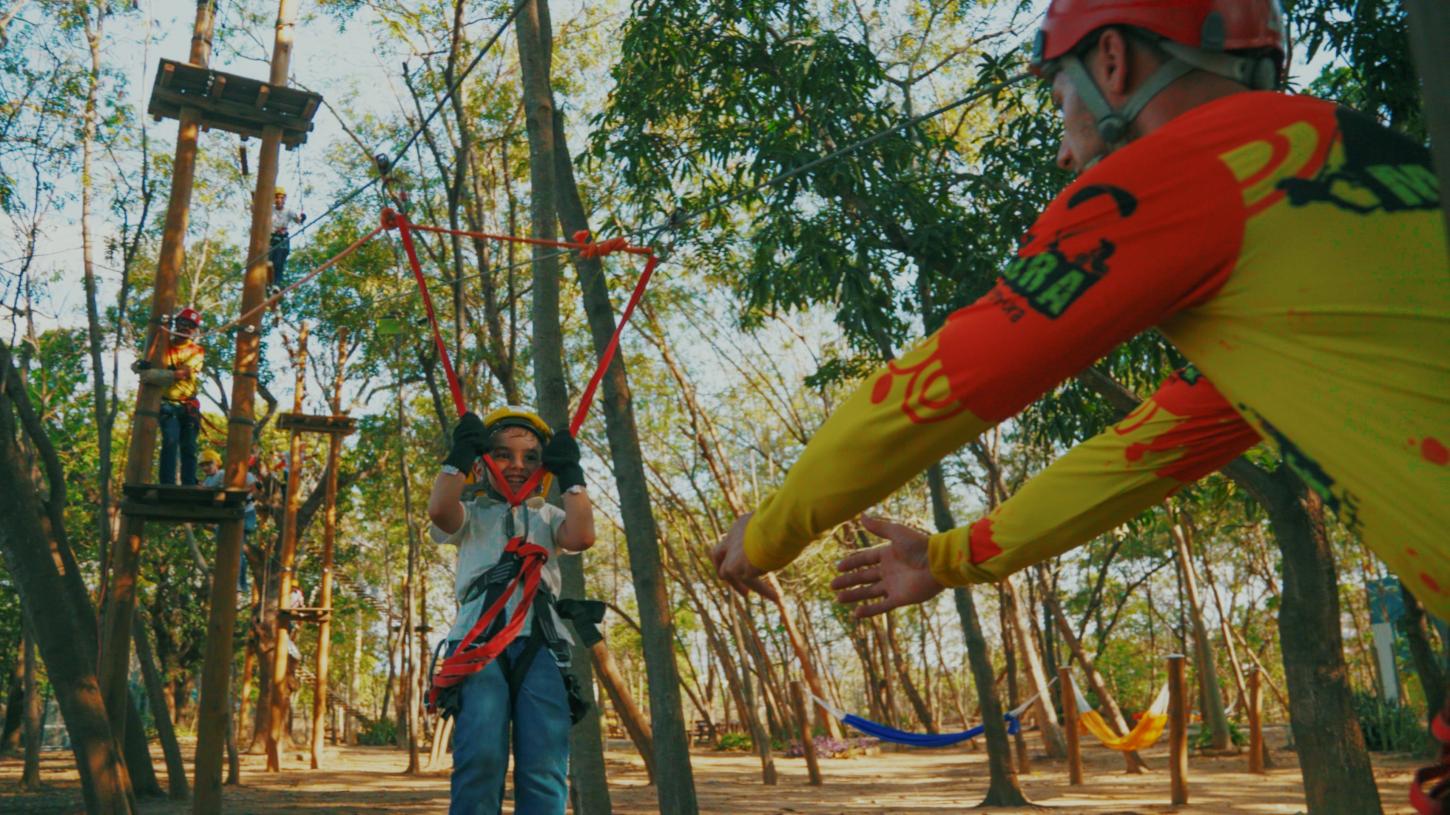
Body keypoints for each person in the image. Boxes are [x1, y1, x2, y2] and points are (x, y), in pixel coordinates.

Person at [712, 1, 1447, 621]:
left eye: (1060, 98)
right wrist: (945, 558)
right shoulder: (1360, 173)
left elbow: (942, 386)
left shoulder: (1186, 168)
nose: (1064, 154)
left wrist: (771, 532)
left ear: (1113, 61)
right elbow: (1146, 451)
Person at [427, 406, 595, 815]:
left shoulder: (548, 517)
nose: (517, 465)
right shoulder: (472, 515)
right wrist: (458, 458)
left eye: (531, 457)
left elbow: (582, 535)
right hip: (478, 645)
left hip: (541, 644)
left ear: (545, 468)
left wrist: (572, 476)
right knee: (480, 758)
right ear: (483, 464)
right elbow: (440, 511)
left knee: (544, 763)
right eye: (502, 455)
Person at [134, 308, 206, 485]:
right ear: (176, 323)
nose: (186, 328)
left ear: (194, 330)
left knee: (189, 446)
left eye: (191, 326)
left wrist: (152, 375)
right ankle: (167, 483)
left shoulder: (196, 351)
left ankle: (189, 485)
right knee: (170, 441)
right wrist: (139, 366)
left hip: (188, 404)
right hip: (167, 404)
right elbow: (141, 363)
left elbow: (182, 373)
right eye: (183, 323)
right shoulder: (162, 345)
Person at [200, 449, 260, 593]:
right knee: (228, 548)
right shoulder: (207, 481)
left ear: (217, 463)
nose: (206, 467)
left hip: (244, 514)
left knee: (234, 548)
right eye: (202, 465)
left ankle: (238, 581)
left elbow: (254, 484)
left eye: (209, 464)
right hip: (227, 516)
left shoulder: (223, 474)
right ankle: (236, 581)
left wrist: (246, 494)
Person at [268, 186, 305, 291]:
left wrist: (302, 218)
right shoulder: (270, 209)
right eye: (277, 197)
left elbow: (298, 221)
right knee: (268, 261)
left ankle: (276, 284)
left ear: (284, 199)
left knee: (278, 262)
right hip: (271, 239)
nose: (279, 200)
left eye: (281, 198)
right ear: (274, 199)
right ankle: (268, 284)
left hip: (282, 239)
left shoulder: (289, 211)